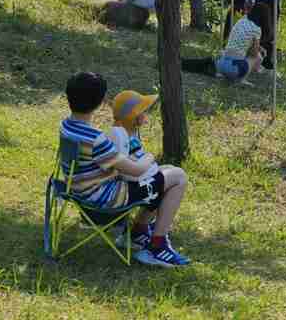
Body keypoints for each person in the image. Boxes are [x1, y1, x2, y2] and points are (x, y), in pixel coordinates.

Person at [60, 73, 190, 267]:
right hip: (103, 201)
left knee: (164, 172)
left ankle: (137, 233)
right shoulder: (96, 139)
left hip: (77, 190)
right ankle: (157, 246)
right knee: (178, 176)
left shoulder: (66, 126)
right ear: (100, 103)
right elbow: (137, 170)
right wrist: (150, 157)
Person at [181, 2, 269, 83]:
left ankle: (182, 63)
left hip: (222, 62)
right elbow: (253, 53)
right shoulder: (257, 29)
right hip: (234, 68)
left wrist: (258, 47)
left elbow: (242, 41)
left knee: (200, 65)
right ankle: (242, 79)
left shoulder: (243, 20)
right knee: (257, 57)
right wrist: (260, 51)